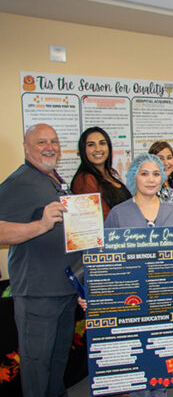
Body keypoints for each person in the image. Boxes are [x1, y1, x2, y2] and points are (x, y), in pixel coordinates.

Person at [0, 124, 80, 397]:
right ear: (26, 147)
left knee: (57, 362)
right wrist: (41, 225)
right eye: (41, 142)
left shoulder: (52, 179)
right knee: (37, 366)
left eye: (54, 141)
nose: (50, 147)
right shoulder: (18, 182)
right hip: (38, 294)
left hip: (64, 290)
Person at [102, 153, 173, 397]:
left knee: (160, 354)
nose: (151, 179)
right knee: (137, 357)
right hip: (132, 297)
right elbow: (105, 260)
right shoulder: (118, 214)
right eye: (144, 173)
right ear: (133, 178)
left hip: (163, 296)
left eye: (155, 174)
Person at [71, 126, 131, 220]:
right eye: (91, 145)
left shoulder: (112, 172)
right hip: (110, 232)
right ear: (83, 150)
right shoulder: (85, 180)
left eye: (102, 143)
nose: (98, 149)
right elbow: (99, 218)